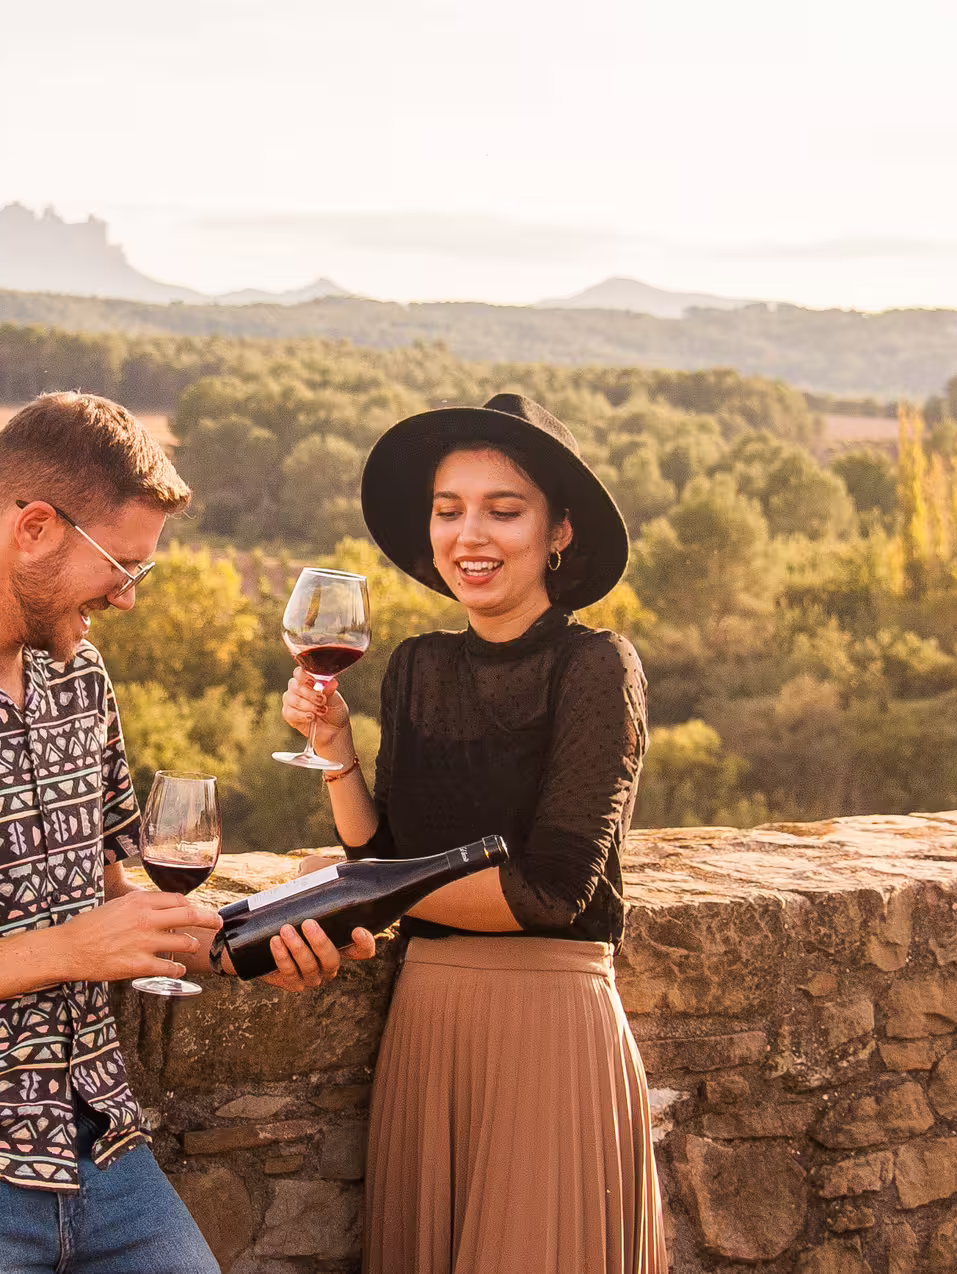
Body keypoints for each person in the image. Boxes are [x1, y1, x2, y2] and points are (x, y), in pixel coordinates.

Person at [0, 391, 369, 1274]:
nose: (129, 597)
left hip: (105, 1155)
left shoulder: (78, 681)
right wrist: (68, 949)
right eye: (122, 565)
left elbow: (115, 903)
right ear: (36, 527)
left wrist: (260, 937)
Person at [283, 393, 667, 1273]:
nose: (471, 536)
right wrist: (335, 751)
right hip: (426, 1021)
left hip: (549, 1027)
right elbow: (384, 860)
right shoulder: (417, 667)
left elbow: (550, 892)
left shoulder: (597, 668)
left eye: (504, 510)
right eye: (449, 510)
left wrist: (355, 894)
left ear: (558, 531)